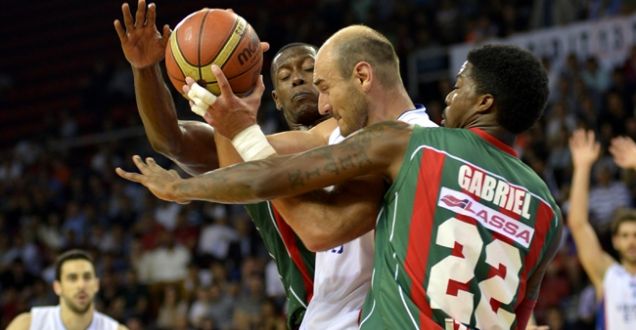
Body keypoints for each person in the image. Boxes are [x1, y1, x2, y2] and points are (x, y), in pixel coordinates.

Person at [117, 38, 563, 329]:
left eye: (321, 80)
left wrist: (189, 181)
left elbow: (317, 227)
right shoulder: (544, 205)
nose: (319, 95)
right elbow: (171, 141)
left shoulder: (414, 144)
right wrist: (151, 72)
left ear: (362, 77)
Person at [113, 1, 361, 328]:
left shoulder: (358, 137)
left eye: (309, 70)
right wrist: (145, 70)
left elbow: (263, 151)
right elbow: (169, 141)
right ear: (275, 98)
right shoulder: (247, 148)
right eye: (286, 75)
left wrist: (184, 186)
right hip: (316, 316)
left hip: (375, 308)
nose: (299, 79)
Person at [183, 25, 437, 329]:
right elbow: (241, 165)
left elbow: (318, 229)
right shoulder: (351, 136)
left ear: (362, 77)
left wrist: (183, 185)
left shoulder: (402, 140)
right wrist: (228, 112)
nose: (323, 104)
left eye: (324, 86)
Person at [568, 129, 636, 330]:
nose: (631, 241)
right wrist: (582, 167)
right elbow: (578, 225)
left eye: (635, 235)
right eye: (625, 236)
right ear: (615, 241)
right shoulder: (608, 274)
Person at [6, 249, 128, 330]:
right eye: (72, 278)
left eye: (87, 277)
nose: (81, 285)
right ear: (57, 287)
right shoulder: (29, 325)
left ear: (96, 284)